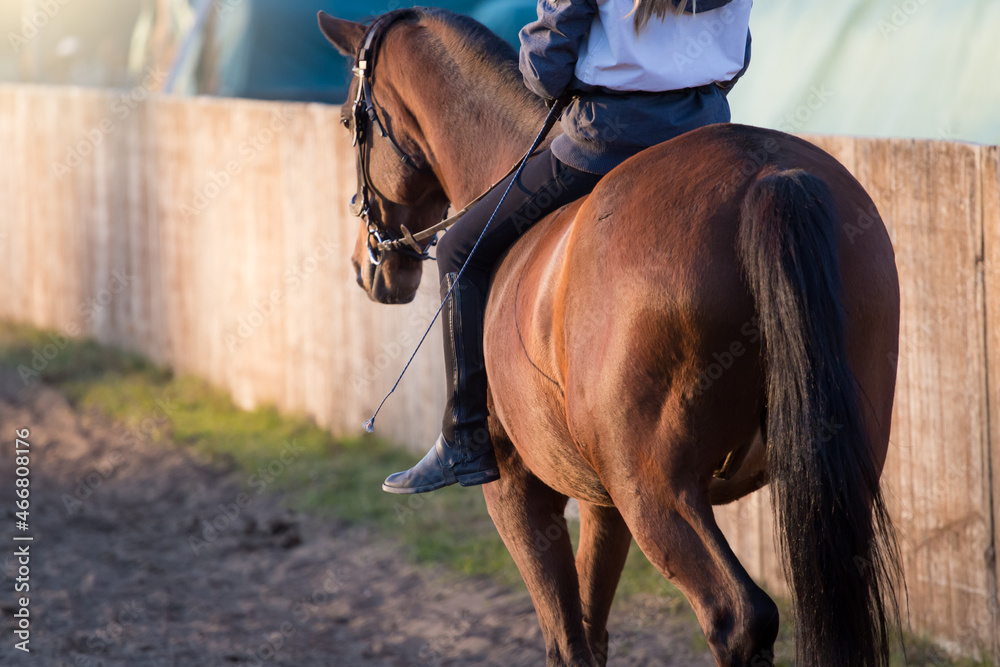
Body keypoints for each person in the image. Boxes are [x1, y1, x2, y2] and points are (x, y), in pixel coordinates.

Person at [381, 0, 753, 494]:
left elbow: (543, 66)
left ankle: (465, 438)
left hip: (607, 140)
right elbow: (741, 53)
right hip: (707, 129)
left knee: (457, 249)